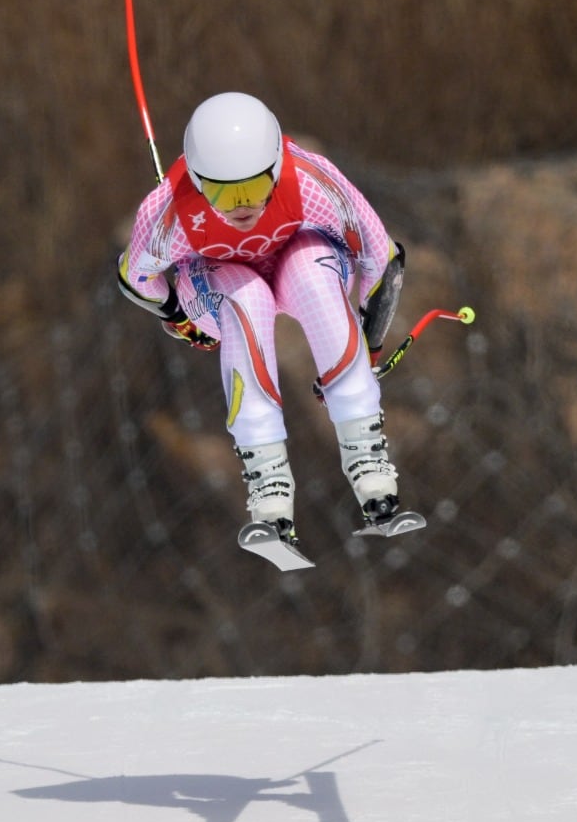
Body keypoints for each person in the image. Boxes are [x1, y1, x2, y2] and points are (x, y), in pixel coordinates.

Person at [116, 92, 407, 541]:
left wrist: (369, 343)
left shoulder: (309, 180)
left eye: (253, 188)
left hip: (301, 263)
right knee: (246, 298)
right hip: (215, 284)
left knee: (311, 275)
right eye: (218, 191)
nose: (239, 206)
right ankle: (269, 484)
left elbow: (382, 257)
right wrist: (179, 318)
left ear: (276, 165)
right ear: (196, 179)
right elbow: (136, 277)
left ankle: (368, 460)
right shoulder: (170, 210)